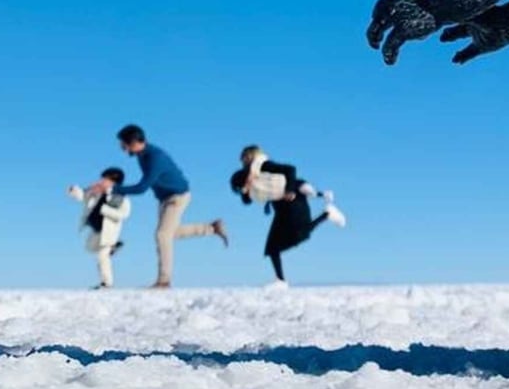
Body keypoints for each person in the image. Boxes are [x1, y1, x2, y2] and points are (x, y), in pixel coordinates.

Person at [88, 124, 228, 288]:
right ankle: (212, 228)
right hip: (164, 199)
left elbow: (141, 188)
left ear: (133, 143)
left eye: (123, 145)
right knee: (170, 233)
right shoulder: (142, 155)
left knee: (162, 235)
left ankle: (164, 281)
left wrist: (112, 188)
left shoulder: (155, 157)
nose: (123, 149)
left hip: (177, 197)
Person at [230, 145, 345, 286]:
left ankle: (327, 214)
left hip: (293, 201)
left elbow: (290, 169)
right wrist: (245, 189)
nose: (242, 161)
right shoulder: (245, 175)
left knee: (300, 234)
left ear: (251, 156)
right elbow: (247, 200)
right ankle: (280, 280)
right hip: (280, 207)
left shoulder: (263, 165)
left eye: (244, 157)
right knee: (272, 247)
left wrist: (290, 190)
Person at [66, 167, 131, 290]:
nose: (101, 181)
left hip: (109, 232)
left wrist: (104, 210)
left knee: (102, 256)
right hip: (97, 230)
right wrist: (74, 190)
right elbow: (82, 196)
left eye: (105, 179)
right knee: (89, 248)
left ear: (113, 182)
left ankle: (106, 283)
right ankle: (115, 245)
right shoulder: (97, 192)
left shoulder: (120, 197)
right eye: (102, 179)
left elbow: (124, 214)